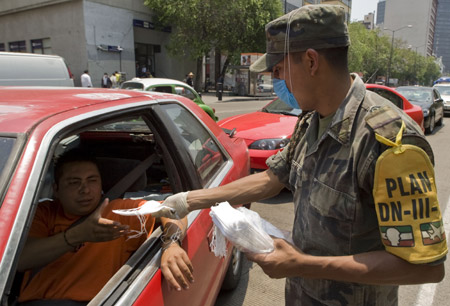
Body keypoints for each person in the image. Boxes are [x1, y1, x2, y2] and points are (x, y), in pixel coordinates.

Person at [151, 4, 447, 305]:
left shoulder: (386, 140)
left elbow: (424, 266)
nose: (278, 82)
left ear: (310, 61)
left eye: (279, 70)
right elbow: (271, 179)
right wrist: (189, 201)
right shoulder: (311, 121)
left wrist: (302, 264)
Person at [17, 149, 193, 305]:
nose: (85, 190)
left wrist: (171, 244)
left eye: (92, 180)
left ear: (101, 184)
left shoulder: (118, 211)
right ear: (55, 189)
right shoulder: (43, 213)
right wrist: (76, 236)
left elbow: (172, 209)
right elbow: (21, 259)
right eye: (73, 182)